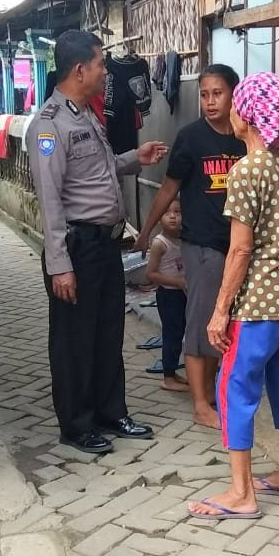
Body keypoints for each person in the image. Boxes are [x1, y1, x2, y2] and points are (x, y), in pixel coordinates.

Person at [26, 30, 169, 454]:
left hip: (106, 246)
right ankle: (77, 423)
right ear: (79, 69)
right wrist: (60, 265)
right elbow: (51, 200)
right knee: (75, 340)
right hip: (77, 249)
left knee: (109, 332)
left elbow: (96, 170)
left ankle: (111, 411)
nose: (106, 71)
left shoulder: (87, 114)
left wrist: (133, 159)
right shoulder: (49, 125)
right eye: (102, 64)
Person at [186, 72, 279, 520]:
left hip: (260, 304)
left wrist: (220, 310)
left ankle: (241, 493)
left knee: (233, 386)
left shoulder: (246, 171)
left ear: (247, 115)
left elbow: (240, 248)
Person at [134, 65, 246, 430]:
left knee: (224, 326)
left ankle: (211, 395)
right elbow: (168, 188)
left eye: (218, 93)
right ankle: (200, 405)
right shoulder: (191, 138)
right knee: (201, 325)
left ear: (234, 94)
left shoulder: (245, 139)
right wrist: (147, 229)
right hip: (202, 246)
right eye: (204, 94)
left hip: (238, 247)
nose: (210, 101)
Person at [145, 200, 188, 393]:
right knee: (171, 336)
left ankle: (172, 372)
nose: (172, 216)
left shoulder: (184, 239)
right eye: (167, 212)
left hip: (183, 294)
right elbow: (151, 274)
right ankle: (168, 378)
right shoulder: (159, 244)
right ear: (159, 218)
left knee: (179, 335)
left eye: (177, 212)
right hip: (168, 296)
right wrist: (176, 282)